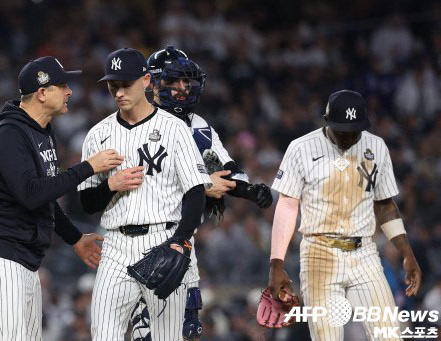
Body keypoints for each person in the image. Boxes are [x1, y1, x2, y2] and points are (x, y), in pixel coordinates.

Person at [0, 56, 124, 340]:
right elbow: (31, 195)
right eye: (61, 85)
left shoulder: (42, 133)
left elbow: (45, 197)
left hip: (22, 260)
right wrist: (87, 168)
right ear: (41, 92)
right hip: (0, 257)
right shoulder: (9, 132)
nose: (69, 91)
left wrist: (74, 238)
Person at [128, 46, 274, 341]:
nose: (182, 88)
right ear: (152, 83)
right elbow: (149, 181)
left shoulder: (199, 125)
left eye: (186, 81)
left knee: (189, 330)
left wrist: (249, 190)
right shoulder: (135, 123)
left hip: (183, 237)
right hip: (142, 236)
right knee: (148, 332)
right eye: (173, 81)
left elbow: (227, 169)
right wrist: (206, 183)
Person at [77, 48, 212, 341]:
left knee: (167, 337)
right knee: (103, 334)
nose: (118, 92)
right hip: (115, 245)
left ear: (146, 81)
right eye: (113, 85)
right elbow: (86, 203)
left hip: (163, 238)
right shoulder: (97, 135)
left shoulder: (174, 129)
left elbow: (196, 192)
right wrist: (110, 186)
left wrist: (180, 241)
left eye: (125, 84)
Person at [268, 90, 422, 340]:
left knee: (390, 335)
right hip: (319, 254)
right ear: (326, 120)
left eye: (354, 130)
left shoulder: (376, 146)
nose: (349, 137)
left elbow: (385, 204)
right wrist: (276, 263)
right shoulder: (301, 148)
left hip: (365, 255)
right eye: (342, 130)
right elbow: (287, 205)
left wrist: (407, 253)